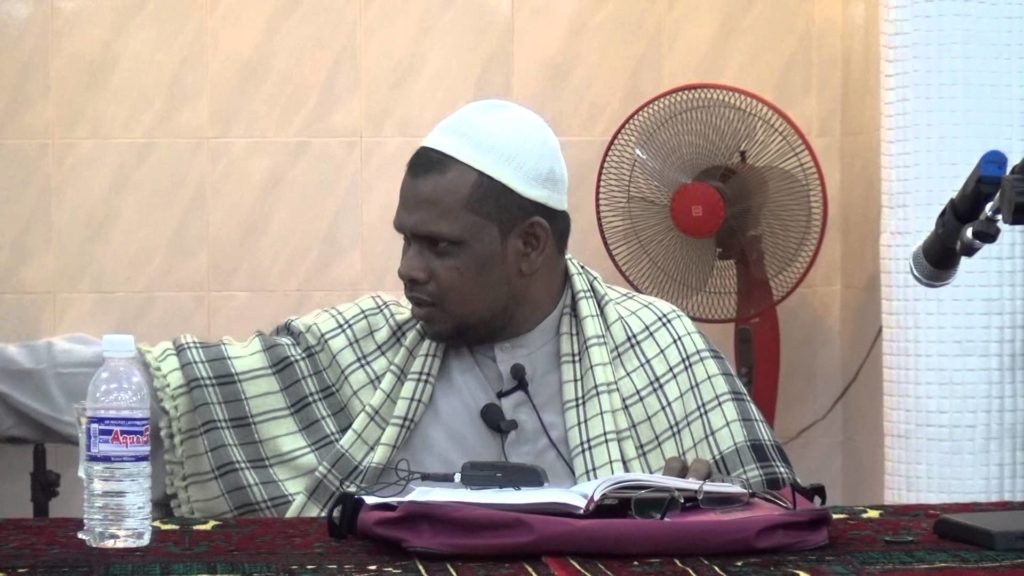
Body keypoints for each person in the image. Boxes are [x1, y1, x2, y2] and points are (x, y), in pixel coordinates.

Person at [0, 100, 794, 519]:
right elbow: (171, 391)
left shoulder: (657, 345)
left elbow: (773, 518)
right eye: (406, 241)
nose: (408, 270)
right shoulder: (369, 348)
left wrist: (701, 507)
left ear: (528, 245)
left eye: (439, 247)